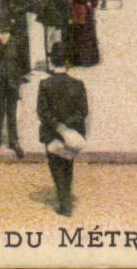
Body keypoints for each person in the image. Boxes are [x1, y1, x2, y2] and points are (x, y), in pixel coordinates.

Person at [37, 49, 89, 217]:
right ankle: (66, 199)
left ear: (52, 62)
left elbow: (42, 112)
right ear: (67, 63)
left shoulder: (45, 84)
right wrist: (68, 127)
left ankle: (64, 203)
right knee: (68, 165)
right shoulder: (78, 84)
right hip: (72, 133)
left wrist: (58, 126)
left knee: (55, 166)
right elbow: (82, 111)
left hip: (52, 133)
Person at [0, 19, 24, 159]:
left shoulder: (16, 42)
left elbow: (22, 65)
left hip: (12, 82)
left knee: (11, 113)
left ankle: (13, 141)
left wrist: (19, 83)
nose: (3, 33)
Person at [68, 0, 100, 67]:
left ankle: (88, 59)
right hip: (77, 14)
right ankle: (77, 60)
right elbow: (71, 0)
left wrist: (91, 3)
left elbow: (95, 1)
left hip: (88, 15)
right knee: (78, 35)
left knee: (87, 36)